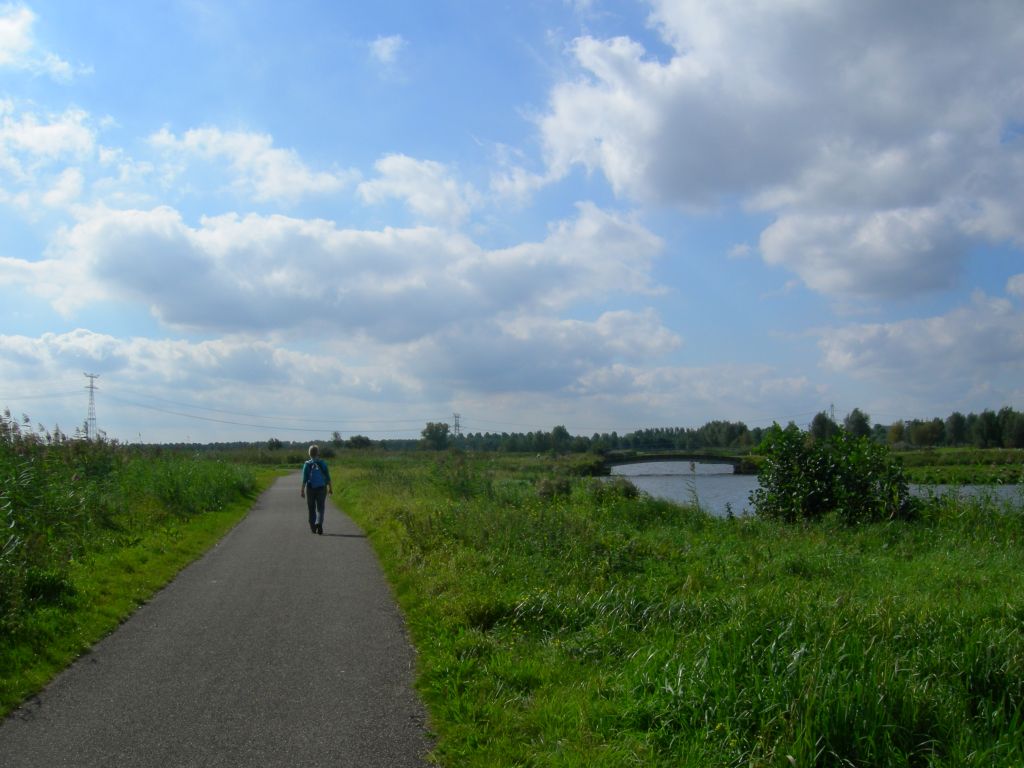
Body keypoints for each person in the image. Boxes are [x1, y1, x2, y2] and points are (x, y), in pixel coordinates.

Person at [300, 445, 332, 534]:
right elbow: (327, 476)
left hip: (310, 488)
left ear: (309, 453)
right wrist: (330, 488)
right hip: (322, 487)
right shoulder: (322, 463)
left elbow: (304, 479)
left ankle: (313, 527)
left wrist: (302, 490)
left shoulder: (307, 464)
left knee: (311, 508)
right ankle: (319, 522)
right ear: (318, 453)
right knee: (321, 507)